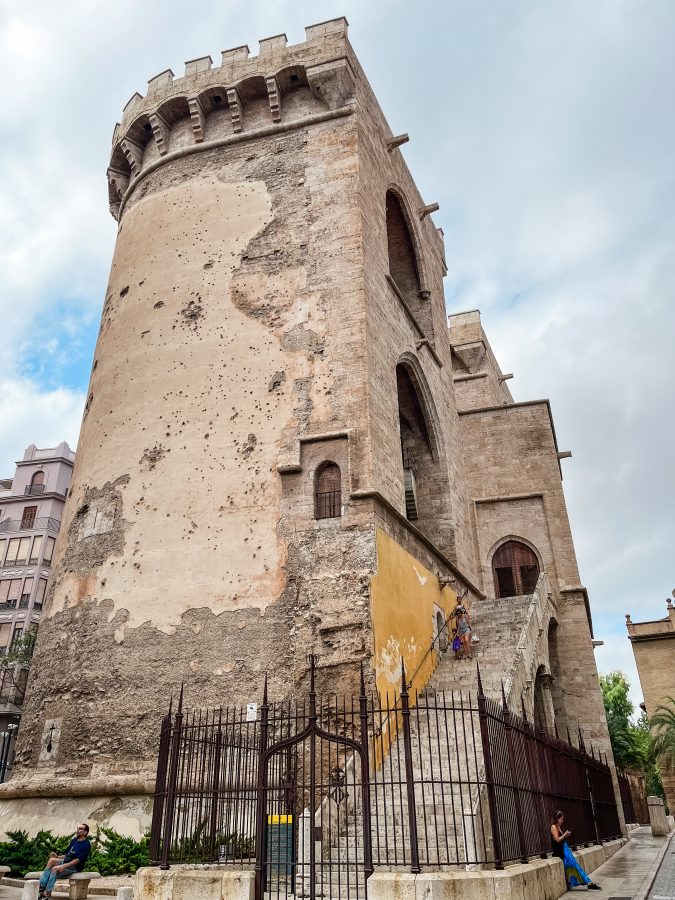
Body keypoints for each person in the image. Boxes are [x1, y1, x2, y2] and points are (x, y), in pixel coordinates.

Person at [550, 811, 601, 891]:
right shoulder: (553, 827)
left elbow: (561, 839)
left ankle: (587, 882)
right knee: (573, 865)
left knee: (574, 865)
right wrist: (565, 835)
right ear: (557, 818)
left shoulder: (558, 826)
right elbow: (557, 839)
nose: (562, 821)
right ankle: (587, 882)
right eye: (561, 819)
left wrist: (567, 834)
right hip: (560, 850)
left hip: (564, 848)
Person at [38, 823, 91, 899]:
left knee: (54, 869)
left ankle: (46, 893)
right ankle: (42, 887)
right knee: (51, 860)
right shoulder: (74, 841)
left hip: (74, 866)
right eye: (77, 828)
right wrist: (57, 856)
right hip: (66, 861)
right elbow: (67, 855)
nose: (78, 830)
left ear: (85, 832)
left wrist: (63, 866)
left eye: (80, 829)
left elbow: (78, 860)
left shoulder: (86, 844)